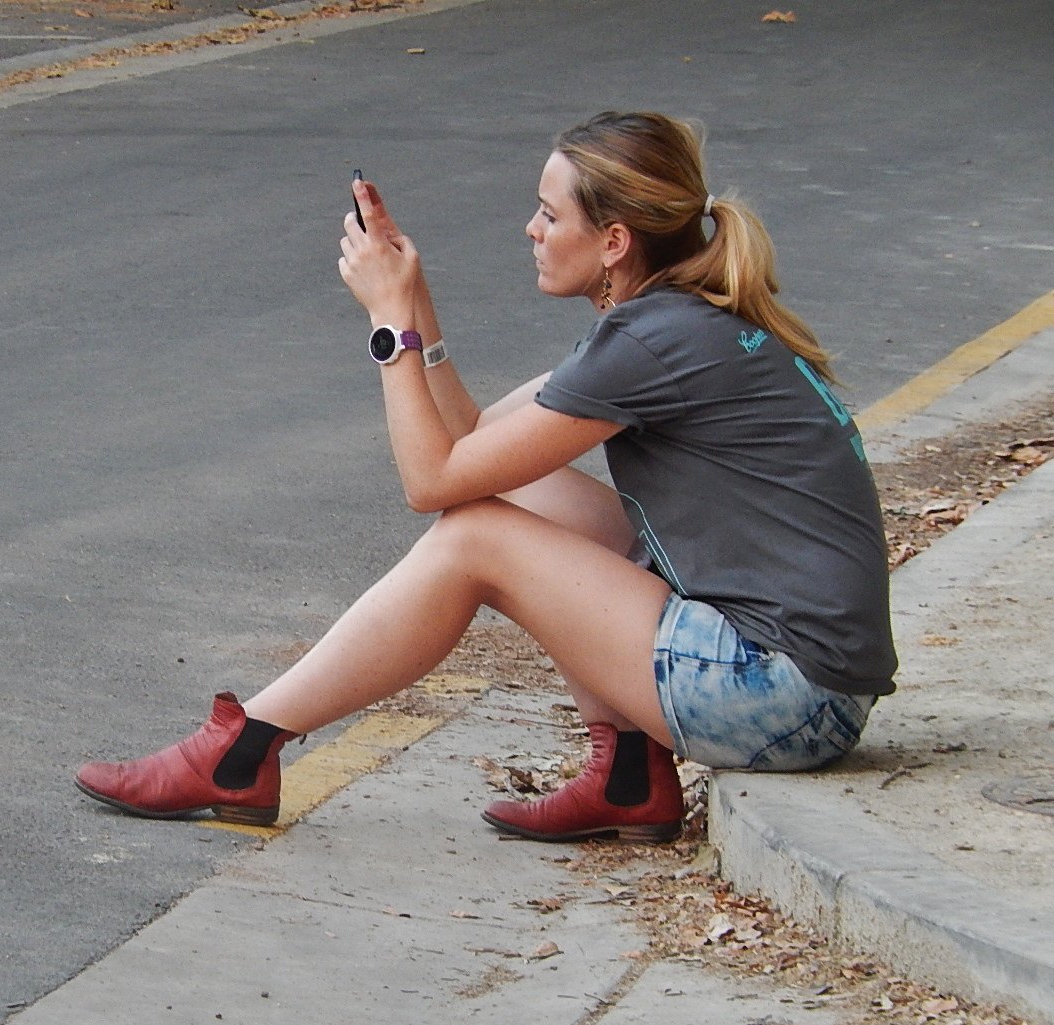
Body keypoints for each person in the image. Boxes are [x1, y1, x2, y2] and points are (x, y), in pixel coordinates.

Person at [75, 111, 897, 843]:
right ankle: (625, 775)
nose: (531, 228)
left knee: (475, 536)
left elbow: (429, 480)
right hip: (800, 679)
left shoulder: (653, 341)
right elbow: (473, 444)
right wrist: (418, 299)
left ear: (614, 242)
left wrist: (389, 325)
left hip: (785, 697)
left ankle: (242, 750)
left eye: (550, 213)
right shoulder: (672, 319)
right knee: (503, 495)